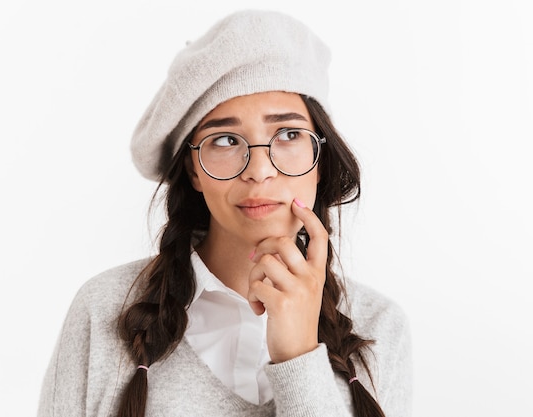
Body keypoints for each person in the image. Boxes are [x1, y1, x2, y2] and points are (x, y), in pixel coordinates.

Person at [38, 9, 412, 417]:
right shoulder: (105, 308)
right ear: (193, 170)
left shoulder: (380, 326)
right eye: (225, 140)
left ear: (320, 159)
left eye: (288, 134)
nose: (259, 171)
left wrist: (299, 356)